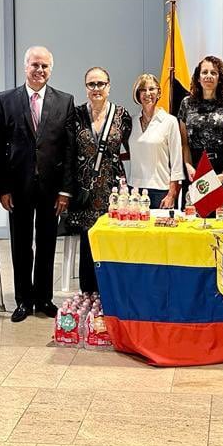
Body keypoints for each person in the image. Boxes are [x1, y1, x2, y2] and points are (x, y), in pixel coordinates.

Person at [0, 46, 75, 323]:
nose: (40, 70)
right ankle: (23, 300)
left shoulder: (65, 101)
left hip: (52, 189)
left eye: (45, 66)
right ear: (25, 66)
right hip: (18, 187)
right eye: (35, 65)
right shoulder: (5, 100)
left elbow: (68, 149)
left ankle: (44, 298)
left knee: (47, 243)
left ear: (51, 69)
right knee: (20, 244)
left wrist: (65, 190)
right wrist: (2, 188)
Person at [65, 67, 132, 292]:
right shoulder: (75, 114)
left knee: (113, 238)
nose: (96, 88)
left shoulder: (121, 115)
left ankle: (112, 291)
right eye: (91, 84)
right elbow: (68, 152)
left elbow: (131, 147)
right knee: (87, 240)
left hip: (113, 190)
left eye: (100, 83)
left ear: (109, 86)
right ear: (85, 88)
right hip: (85, 190)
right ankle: (88, 291)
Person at [178, 56, 223, 208]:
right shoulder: (186, 103)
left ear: (220, 78)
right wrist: (188, 166)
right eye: (204, 72)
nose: (209, 76)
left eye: (213, 73)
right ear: (198, 77)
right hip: (195, 167)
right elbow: (184, 143)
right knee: (194, 216)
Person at [127, 73, 183, 209]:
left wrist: (172, 194)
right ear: (138, 95)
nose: (148, 93)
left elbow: (176, 161)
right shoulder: (131, 122)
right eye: (143, 90)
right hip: (134, 190)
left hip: (160, 190)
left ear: (159, 92)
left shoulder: (170, 121)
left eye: (152, 89)